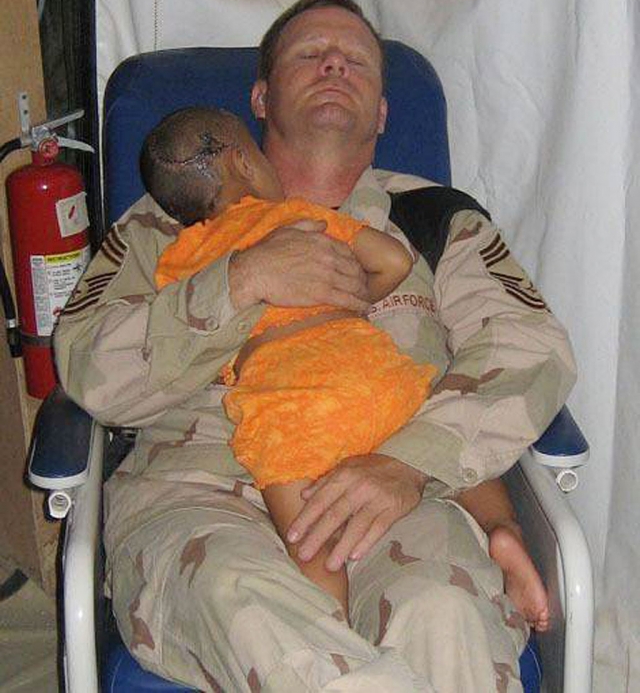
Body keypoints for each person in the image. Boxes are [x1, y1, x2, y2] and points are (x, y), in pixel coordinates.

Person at [54, 0, 576, 692]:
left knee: (445, 616)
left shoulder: (435, 221)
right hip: (200, 495)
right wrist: (239, 282)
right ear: (261, 99)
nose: (334, 62)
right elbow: (92, 370)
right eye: (309, 54)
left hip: (395, 483)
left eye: (357, 58)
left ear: (384, 113)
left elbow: (531, 351)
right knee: (253, 611)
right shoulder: (163, 227)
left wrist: (408, 462)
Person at [146, 105, 549, 631]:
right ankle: (502, 528)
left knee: (312, 542)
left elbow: (183, 335)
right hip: (368, 369)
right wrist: (348, 298)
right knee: (442, 434)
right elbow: (394, 263)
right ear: (244, 162)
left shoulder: (181, 258)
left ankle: (331, 629)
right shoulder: (297, 218)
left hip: (286, 404)